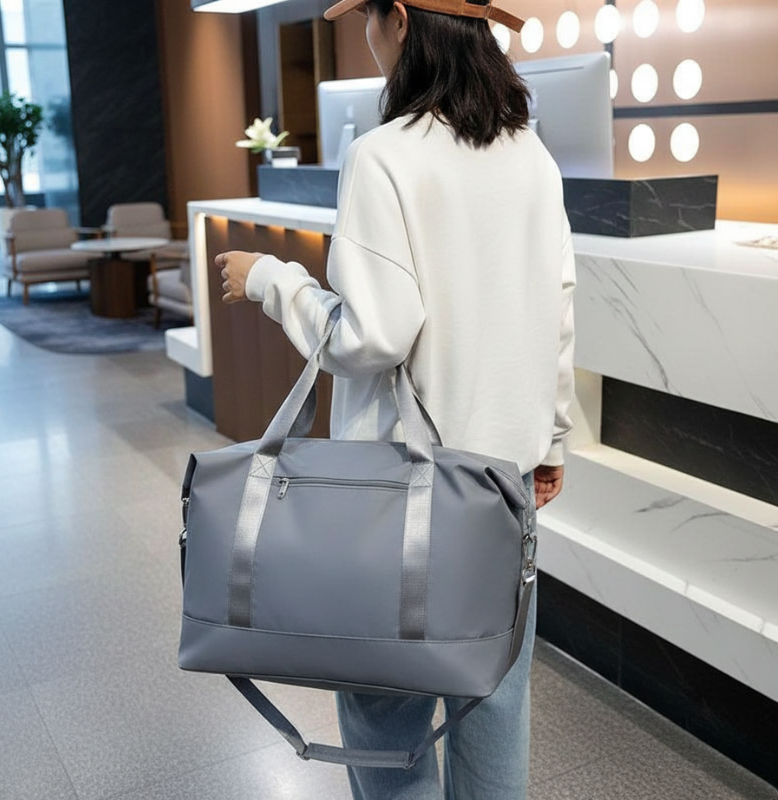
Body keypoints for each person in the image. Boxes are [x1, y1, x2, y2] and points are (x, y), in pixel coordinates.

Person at [215, 0, 576, 795]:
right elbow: (557, 309)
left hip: (399, 495)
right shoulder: (533, 156)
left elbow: (371, 336)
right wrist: (551, 438)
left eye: (368, 19)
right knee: (493, 706)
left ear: (401, 20)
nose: (367, 36)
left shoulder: (384, 156)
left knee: (387, 722)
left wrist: (272, 280)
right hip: (501, 489)